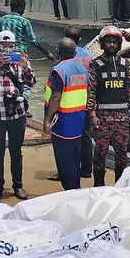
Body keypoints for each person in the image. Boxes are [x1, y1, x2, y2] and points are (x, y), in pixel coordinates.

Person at [0, 30, 34, 201]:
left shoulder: (21, 60)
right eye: (4, 46)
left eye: (10, 46)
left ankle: (18, 185)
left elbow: (31, 82)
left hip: (17, 113)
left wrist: (25, 67)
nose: (7, 50)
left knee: (16, 152)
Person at [88, 26, 130, 187]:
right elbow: (91, 92)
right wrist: (92, 115)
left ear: (119, 44)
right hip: (103, 119)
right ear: (103, 44)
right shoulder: (95, 65)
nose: (111, 45)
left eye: (114, 42)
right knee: (100, 156)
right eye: (108, 42)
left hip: (122, 119)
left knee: (122, 157)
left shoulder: (125, 64)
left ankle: (119, 188)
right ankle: (99, 188)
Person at [44, 38, 91, 190]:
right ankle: (75, 187)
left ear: (59, 51)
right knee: (74, 157)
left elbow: (56, 97)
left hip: (62, 121)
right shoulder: (83, 69)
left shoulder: (58, 70)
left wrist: (47, 120)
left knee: (64, 160)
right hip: (78, 119)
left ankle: (71, 190)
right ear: (75, 52)